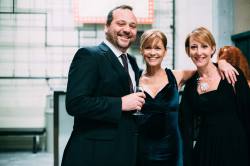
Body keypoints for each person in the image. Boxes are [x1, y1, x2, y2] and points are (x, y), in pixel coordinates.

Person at [135, 29, 238, 166]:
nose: (153, 52)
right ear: (141, 50)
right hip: (141, 149)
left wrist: (222, 63)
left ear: (165, 51)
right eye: (148, 48)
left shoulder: (177, 75)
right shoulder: (134, 79)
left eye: (158, 48)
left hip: (173, 149)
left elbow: (205, 66)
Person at [61, 5, 146, 166]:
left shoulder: (132, 62)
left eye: (132, 26)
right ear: (106, 27)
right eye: (121, 24)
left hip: (124, 151)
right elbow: (75, 103)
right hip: (93, 154)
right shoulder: (89, 55)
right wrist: (121, 103)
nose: (127, 29)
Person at [179, 27, 250, 166]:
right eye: (194, 47)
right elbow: (185, 128)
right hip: (206, 152)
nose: (199, 52)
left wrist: (223, 63)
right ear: (188, 51)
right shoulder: (190, 87)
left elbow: (248, 115)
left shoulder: (232, 75)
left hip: (236, 149)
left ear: (212, 49)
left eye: (204, 46)